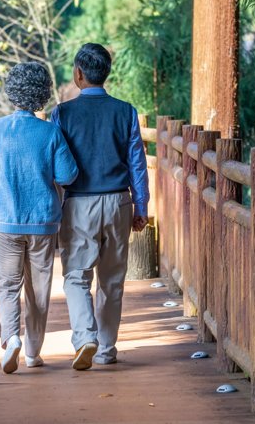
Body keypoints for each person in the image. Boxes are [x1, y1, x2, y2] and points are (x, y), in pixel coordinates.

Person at [51, 43, 149, 370]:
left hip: (79, 203)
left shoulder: (62, 114)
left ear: (79, 74)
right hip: (119, 201)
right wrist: (141, 205)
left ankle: (85, 337)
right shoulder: (126, 112)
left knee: (77, 275)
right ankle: (106, 349)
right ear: (106, 73)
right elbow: (137, 162)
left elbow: (57, 166)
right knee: (112, 280)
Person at [0, 62, 78, 374]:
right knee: (38, 289)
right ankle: (33, 352)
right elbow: (67, 174)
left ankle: (11, 340)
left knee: (8, 285)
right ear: (43, 95)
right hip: (42, 222)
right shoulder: (51, 132)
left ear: (12, 94)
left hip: (4, 221)